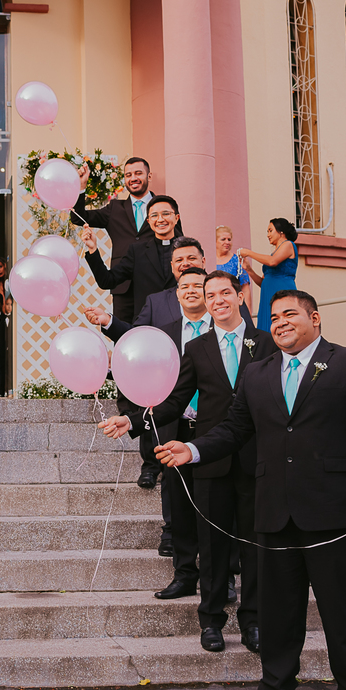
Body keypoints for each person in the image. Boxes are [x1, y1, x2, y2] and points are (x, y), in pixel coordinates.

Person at [155, 290, 346, 690]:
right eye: (274, 316)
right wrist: (192, 449)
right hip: (273, 512)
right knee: (277, 613)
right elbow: (234, 429)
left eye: (291, 314)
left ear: (315, 318)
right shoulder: (258, 372)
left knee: (343, 611)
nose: (281, 322)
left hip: (334, 512)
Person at [99, 271, 278, 654]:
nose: (218, 300)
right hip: (209, 460)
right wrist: (133, 420)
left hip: (256, 460)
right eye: (211, 295)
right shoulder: (197, 348)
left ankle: (253, 621)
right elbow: (175, 401)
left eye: (225, 293)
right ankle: (211, 621)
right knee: (211, 547)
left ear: (240, 296)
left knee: (254, 547)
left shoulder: (265, 343)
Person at [84, 268, 210, 568]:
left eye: (198, 285)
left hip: (213, 423)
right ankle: (181, 563)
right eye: (185, 286)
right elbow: (136, 338)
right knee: (173, 485)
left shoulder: (224, 332)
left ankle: (221, 571)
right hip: (173, 417)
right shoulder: (164, 332)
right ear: (176, 294)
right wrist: (109, 321)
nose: (191, 290)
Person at [82, 195, 185, 489]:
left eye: (166, 214)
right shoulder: (138, 250)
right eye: (155, 215)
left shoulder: (187, 249)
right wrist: (93, 251)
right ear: (148, 221)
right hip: (148, 333)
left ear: (176, 217)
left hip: (185, 331)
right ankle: (150, 465)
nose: (160, 219)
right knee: (147, 398)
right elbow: (108, 280)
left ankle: (179, 459)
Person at [70, 156, 156, 322]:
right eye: (128, 175)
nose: (133, 178)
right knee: (123, 334)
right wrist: (81, 187)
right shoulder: (114, 209)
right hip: (123, 287)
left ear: (149, 176)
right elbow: (78, 218)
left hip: (155, 286)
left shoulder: (163, 207)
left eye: (138, 173)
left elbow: (177, 244)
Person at [238, 218, 298, 333]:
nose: (268, 235)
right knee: (266, 328)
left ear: (281, 232)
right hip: (267, 296)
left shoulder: (288, 244)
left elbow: (272, 261)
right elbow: (263, 282)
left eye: (270, 231)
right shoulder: (273, 254)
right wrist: (249, 270)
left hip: (283, 292)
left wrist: (249, 253)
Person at [214, 226, 253, 315]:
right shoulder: (210, 259)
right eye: (223, 239)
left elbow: (245, 288)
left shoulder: (237, 260)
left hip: (233, 304)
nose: (227, 242)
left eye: (229, 239)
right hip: (215, 304)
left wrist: (248, 313)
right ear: (215, 241)